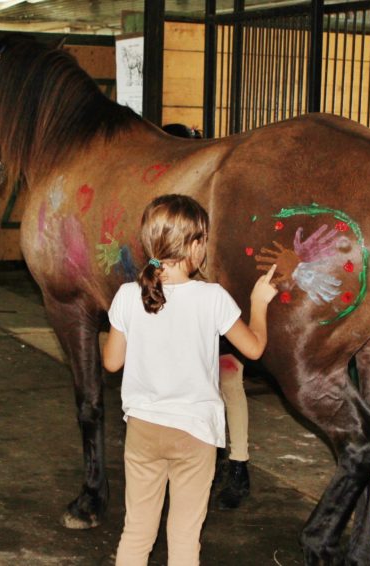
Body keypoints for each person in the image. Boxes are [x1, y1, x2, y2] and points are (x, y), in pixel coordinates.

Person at [103, 194, 277, 565]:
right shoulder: (213, 298)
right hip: (195, 433)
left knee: (136, 532)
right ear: (196, 246)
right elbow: (255, 349)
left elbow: (112, 362)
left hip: (143, 430)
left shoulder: (126, 296)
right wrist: (259, 302)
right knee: (184, 540)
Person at [161, 123, 253, 511]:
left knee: (230, 379)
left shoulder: (215, 205)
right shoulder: (179, 215)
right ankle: (222, 458)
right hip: (196, 311)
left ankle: (240, 461)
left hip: (216, 309)